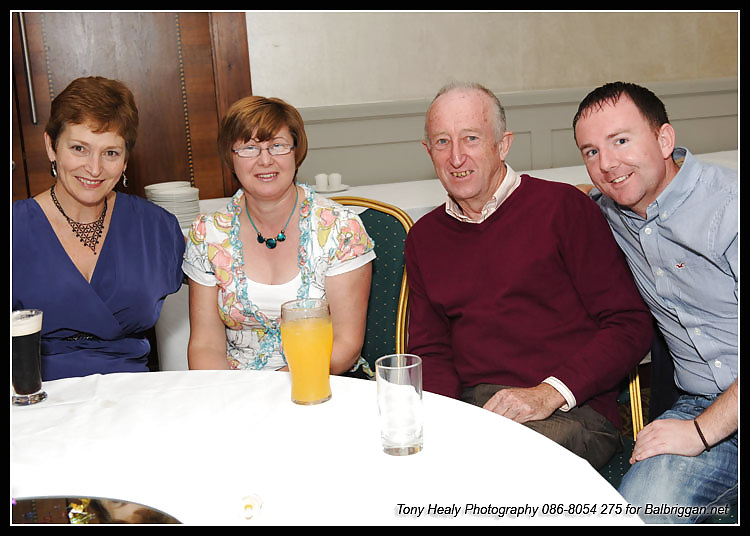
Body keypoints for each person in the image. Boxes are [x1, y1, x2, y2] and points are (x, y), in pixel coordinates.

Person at [405, 82, 653, 469]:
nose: (456, 157)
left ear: (502, 145)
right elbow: (431, 351)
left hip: (571, 409)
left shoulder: (563, 209)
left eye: (471, 138)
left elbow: (630, 326)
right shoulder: (424, 237)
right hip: (477, 410)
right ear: (427, 151)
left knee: (494, 463)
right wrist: (444, 422)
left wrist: (547, 393)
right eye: (442, 142)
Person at [573, 81, 737, 523]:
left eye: (621, 141)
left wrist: (700, 433)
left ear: (665, 140)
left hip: (708, 422)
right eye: (590, 151)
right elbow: (552, 206)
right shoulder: (609, 211)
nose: (607, 164)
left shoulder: (730, 207)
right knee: (640, 514)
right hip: (699, 403)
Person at [183, 96, 375, 376]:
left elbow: (345, 345)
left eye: (277, 146)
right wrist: (229, 397)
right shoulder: (208, 234)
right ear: (230, 157)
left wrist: (272, 392)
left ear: (296, 153)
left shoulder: (340, 229)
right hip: (236, 392)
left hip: (322, 381)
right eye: (249, 148)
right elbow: (205, 345)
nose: (264, 160)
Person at [12, 76, 185, 381]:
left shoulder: (157, 228)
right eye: (79, 148)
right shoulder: (16, 229)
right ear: (51, 146)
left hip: (133, 396)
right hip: (36, 398)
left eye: (110, 153)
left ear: (126, 160)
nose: (94, 168)